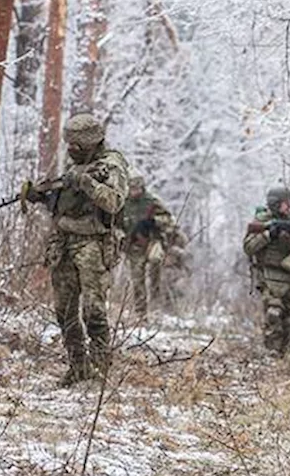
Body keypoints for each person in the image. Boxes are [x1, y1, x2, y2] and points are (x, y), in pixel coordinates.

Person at [28, 113, 129, 386]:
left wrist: (86, 182)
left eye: (76, 145)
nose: (70, 150)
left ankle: (98, 368)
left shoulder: (111, 165)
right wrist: (43, 197)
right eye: (68, 144)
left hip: (94, 243)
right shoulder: (76, 166)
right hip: (64, 242)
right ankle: (78, 366)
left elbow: (114, 202)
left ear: (91, 143)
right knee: (64, 310)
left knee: (93, 310)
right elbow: (65, 204)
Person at [242, 186, 290, 356]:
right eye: (285, 203)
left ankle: (286, 356)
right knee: (274, 313)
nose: (288, 207)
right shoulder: (262, 221)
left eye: (289, 203)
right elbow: (249, 247)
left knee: (288, 315)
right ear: (275, 204)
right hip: (269, 276)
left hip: (289, 277)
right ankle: (272, 353)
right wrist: (268, 235)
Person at [120, 174, 182, 321]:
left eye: (136, 188)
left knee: (155, 268)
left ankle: (156, 308)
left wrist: (153, 222)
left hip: (152, 242)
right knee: (137, 280)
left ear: (142, 188)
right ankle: (141, 314)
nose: (133, 192)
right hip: (134, 246)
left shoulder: (152, 202)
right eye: (131, 189)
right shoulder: (124, 203)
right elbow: (115, 223)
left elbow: (170, 220)